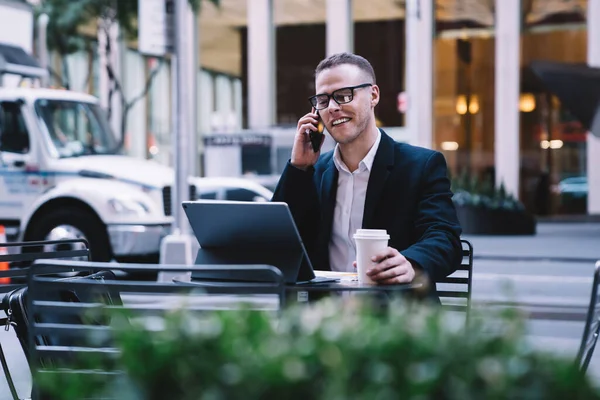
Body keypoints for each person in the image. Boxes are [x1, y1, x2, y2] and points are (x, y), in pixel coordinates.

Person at [272, 52, 462, 302]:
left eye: (343, 95)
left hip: (397, 322)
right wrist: (298, 168)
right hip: (325, 324)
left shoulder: (421, 165)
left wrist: (411, 263)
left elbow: (444, 237)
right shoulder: (313, 171)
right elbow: (278, 242)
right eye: (322, 99)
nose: (332, 107)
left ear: (373, 95)